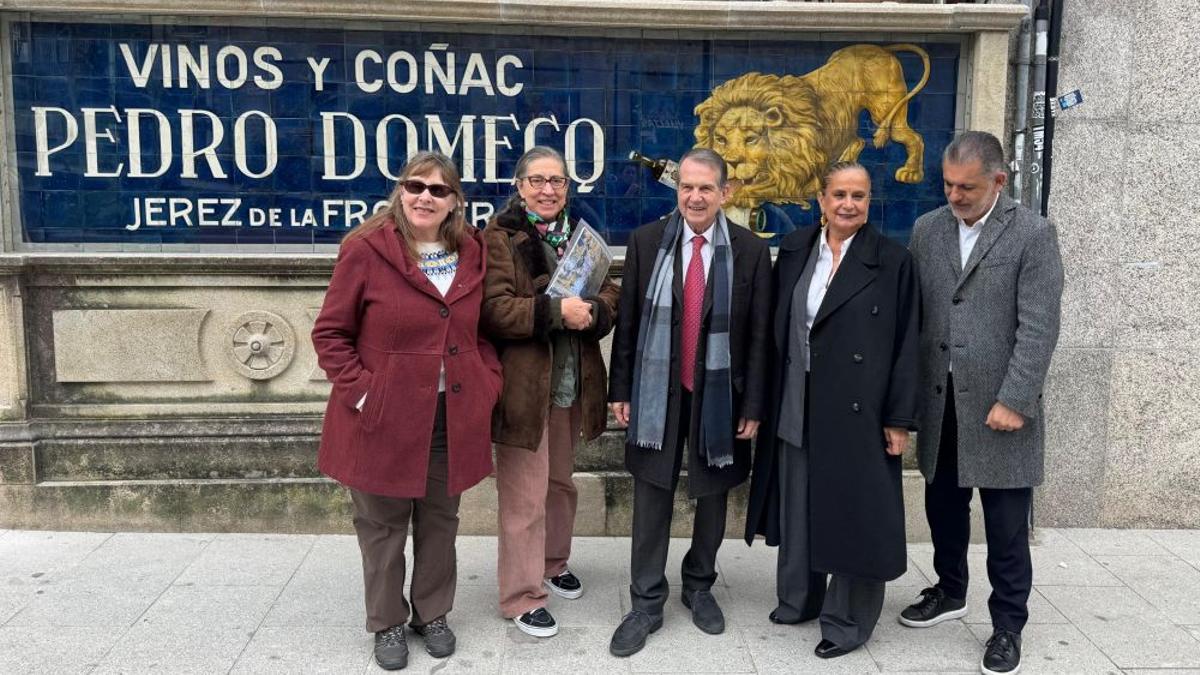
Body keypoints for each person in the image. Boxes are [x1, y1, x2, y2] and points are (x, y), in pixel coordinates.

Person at [312, 151, 502, 671]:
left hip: (451, 413)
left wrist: (487, 382)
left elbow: (481, 331)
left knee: (441, 520)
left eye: (438, 190)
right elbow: (330, 334)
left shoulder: (471, 252)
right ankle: (387, 621)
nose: (424, 197)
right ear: (401, 192)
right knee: (382, 525)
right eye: (415, 186)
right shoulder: (366, 250)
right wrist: (365, 392)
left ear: (454, 202)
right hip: (381, 417)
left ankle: (432, 613)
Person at [901, 131, 1063, 675]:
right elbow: (915, 315)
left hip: (1000, 406)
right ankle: (950, 591)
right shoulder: (926, 230)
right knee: (943, 506)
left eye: (966, 187)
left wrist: (1017, 399)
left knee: (1004, 523)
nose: (955, 196)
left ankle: (1007, 624)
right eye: (947, 184)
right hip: (939, 400)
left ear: (999, 180)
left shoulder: (1033, 234)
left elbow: (1038, 327)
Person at [744, 161, 920, 658]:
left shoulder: (892, 260)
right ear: (821, 200)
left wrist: (899, 418)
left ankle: (848, 621)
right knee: (798, 499)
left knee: (853, 511)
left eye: (859, 196)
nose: (848, 204)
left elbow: (909, 344)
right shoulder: (798, 248)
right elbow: (776, 329)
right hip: (797, 396)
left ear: (869, 202)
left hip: (859, 407)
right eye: (839, 194)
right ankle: (799, 598)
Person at [607, 148, 772, 657]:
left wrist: (755, 404)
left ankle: (700, 584)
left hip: (722, 394)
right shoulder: (646, 241)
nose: (695, 197)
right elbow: (630, 322)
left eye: (706, 188)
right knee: (651, 489)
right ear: (676, 191)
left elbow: (760, 334)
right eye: (687, 187)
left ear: (726, 193)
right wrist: (622, 390)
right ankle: (646, 600)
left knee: (714, 491)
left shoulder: (749, 250)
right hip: (659, 390)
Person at [481, 146, 620, 638]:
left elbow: (609, 291)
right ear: (519, 187)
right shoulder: (498, 238)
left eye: (557, 181)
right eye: (537, 180)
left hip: (570, 384)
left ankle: (553, 561)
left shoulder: (581, 237)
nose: (547, 190)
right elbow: (494, 310)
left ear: (567, 188)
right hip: (524, 387)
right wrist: (556, 313)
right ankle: (521, 594)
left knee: (560, 484)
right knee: (524, 495)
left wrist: (597, 311)